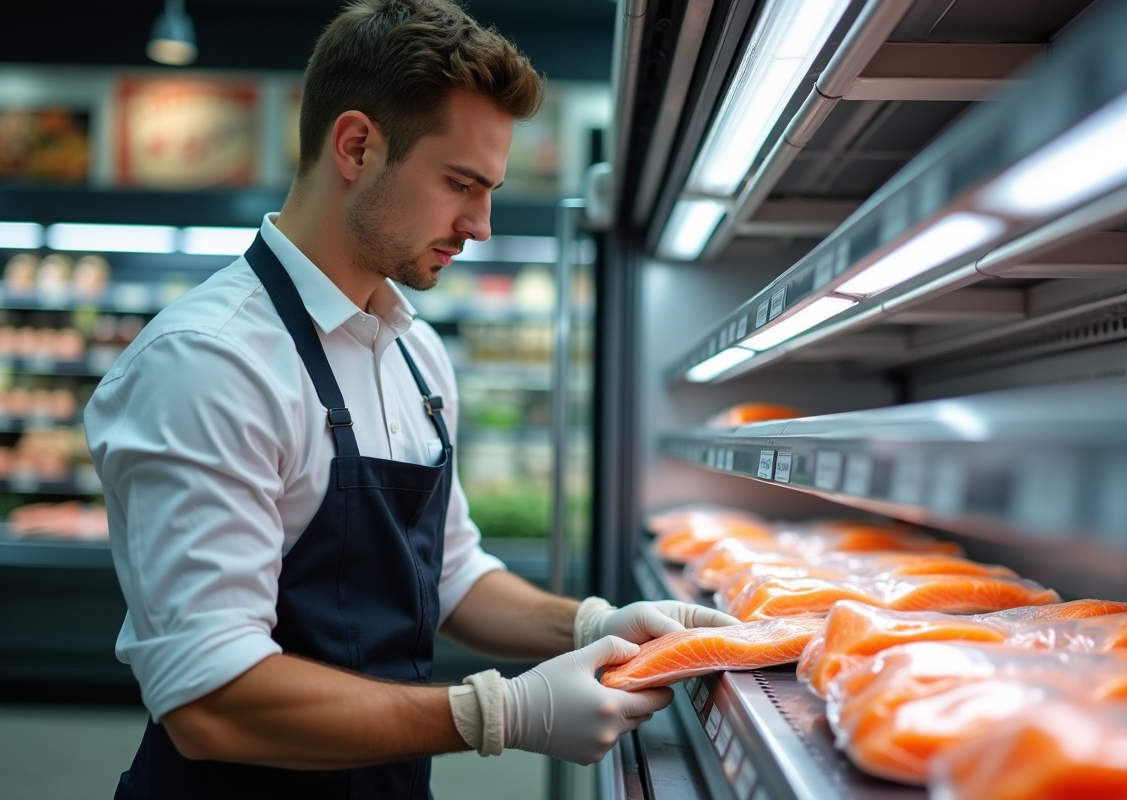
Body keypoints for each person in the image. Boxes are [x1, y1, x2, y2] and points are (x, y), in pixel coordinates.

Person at [85, 1, 735, 798]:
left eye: (489, 190)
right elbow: (210, 701)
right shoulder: (210, 363)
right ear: (356, 145)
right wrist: (499, 713)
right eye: (460, 183)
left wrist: (590, 624)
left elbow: (452, 574)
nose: (481, 225)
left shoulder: (413, 352)